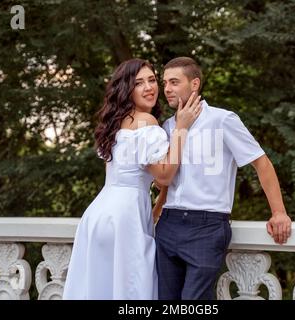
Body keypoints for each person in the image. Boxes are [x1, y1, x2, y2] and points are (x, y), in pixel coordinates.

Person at [153, 57, 292, 300]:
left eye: (174, 82)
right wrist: (157, 209)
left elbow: (262, 163)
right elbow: (166, 179)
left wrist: (278, 212)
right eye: (165, 83)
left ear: (194, 84)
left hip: (207, 226)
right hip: (168, 224)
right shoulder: (166, 127)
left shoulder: (223, 120)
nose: (166, 89)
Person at [62, 58, 202, 300]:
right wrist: (181, 127)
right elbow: (165, 175)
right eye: (139, 83)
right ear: (127, 89)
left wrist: (157, 207)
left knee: (101, 287)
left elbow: (137, 176)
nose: (149, 87)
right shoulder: (146, 122)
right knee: (133, 287)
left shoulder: (116, 123)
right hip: (125, 217)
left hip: (99, 214)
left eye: (151, 80)